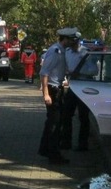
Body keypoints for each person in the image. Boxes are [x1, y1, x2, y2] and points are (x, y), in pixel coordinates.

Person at [38, 27, 81, 164]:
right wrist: (46, 94)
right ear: (65, 39)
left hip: (57, 88)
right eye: (72, 40)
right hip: (52, 90)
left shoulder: (62, 51)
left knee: (51, 122)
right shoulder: (55, 51)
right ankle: (54, 155)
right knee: (55, 124)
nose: (73, 42)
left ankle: (45, 149)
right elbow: (44, 73)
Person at [60, 38, 91, 151]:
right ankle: (66, 142)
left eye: (73, 42)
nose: (71, 45)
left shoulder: (86, 53)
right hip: (72, 88)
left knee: (83, 117)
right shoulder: (67, 52)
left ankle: (83, 144)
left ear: (78, 42)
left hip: (83, 88)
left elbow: (94, 70)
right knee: (66, 115)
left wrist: (79, 72)